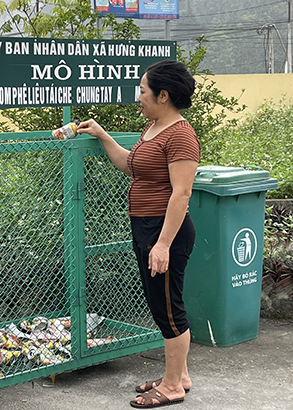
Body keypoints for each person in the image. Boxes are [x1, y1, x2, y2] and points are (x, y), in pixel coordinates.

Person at [77, 60, 199, 409]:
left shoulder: (180, 135)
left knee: (168, 310)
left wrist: (162, 244)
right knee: (162, 304)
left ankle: (173, 386)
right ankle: (180, 376)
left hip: (166, 230)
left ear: (163, 95)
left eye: (143, 91)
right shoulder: (156, 129)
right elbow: (130, 165)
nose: (139, 98)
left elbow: (182, 193)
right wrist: (102, 134)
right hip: (148, 227)